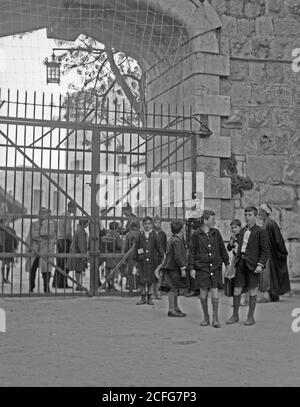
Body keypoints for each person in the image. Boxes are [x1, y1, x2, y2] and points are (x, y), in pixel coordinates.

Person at [226, 206, 269, 326]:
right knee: (237, 289)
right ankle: (235, 315)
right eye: (245, 215)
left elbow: (265, 251)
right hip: (241, 263)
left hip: (253, 265)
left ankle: (250, 317)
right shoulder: (243, 231)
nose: (247, 217)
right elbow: (234, 246)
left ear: (255, 217)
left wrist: (260, 265)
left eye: (250, 215)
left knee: (252, 290)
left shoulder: (261, 231)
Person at [189, 210, 230, 328]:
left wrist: (227, 263)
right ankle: (206, 317)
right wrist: (192, 268)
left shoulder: (216, 233)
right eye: (212, 219)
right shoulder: (196, 234)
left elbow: (222, 249)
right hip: (202, 268)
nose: (214, 221)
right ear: (205, 221)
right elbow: (192, 252)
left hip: (215, 267)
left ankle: (215, 318)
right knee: (203, 294)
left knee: (215, 292)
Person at [258, 203, 291, 302]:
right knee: (269, 274)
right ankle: (273, 295)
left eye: (260, 211)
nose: (259, 213)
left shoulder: (270, 223)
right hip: (267, 253)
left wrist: (282, 253)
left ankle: (267, 295)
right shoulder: (265, 223)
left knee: (267, 274)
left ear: (264, 212)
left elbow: (278, 240)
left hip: (270, 255)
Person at [160, 221, 188, 317]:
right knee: (173, 288)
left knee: (175, 288)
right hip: (173, 268)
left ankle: (176, 308)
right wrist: (182, 267)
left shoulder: (173, 239)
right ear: (181, 230)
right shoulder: (176, 241)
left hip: (170, 267)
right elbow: (177, 256)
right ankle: (172, 309)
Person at [26, 207, 56, 294]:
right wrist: (44, 237)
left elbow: (53, 235)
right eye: (42, 213)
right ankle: (31, 287)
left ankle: (46, 288)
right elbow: (34, 235)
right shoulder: (34, 224)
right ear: (39, 214)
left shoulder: (51, 224)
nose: (43, 215)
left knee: (47, 270)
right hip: (36, 250)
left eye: (45, 213)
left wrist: (46, 238)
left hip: (47, 250)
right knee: (33, 269)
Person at [136, 216, 164, 305]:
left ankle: (150, 297)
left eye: (149, 224)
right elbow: (138, 247)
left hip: (152, 261)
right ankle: (143, 297)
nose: (147, 226)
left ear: (151, 225)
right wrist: (140, 254)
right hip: (142, 262)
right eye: (145, 224)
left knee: (151, 280)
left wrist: (162, 256)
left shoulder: (154, 235)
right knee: (143, 280)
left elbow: (158, 247)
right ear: (143, 225)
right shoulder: (140, 235)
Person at [53, 201, 76, 289]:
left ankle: (55, 282)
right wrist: (72, 241)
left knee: (60, 262)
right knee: (65, 263)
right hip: (65, 240)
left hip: (59, 239)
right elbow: (67, 233)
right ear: (72, 207)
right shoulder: (68, 217)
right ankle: (62, 283)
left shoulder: (62, 215)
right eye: (75, 208)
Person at [225, 219, 249, 305]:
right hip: (235, 259)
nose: (234, 229)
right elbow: (229, 248)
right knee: (234, 279)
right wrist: (232, 240)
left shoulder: (243, 236)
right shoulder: (233, 237)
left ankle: (246, 299)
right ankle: (237, 300)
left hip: (242, 259)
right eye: (232, 228)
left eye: (236, 227)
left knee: (244, 279)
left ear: (240, 227)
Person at [67, 219, 89, 291]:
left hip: (75, 251)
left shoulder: (79, 230)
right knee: (78, 269)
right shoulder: (81, 232)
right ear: (84, 223)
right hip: (78, 252)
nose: (88, 225)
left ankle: (78, 284)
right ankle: (78, 285)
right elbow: (81, 244)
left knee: (78, 269)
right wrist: (83, 255)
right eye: (87, 223)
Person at [101, 221, 122, 291]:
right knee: (113, 270)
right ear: (116, 227)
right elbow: (119, 245)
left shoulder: (107, 234)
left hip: (107, 254)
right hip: (114, 255)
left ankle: (107, 284)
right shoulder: (117, 235)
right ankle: (112, 285)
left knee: (107, 270)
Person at [152, 215, 167, 300]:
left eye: (159, 222)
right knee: (152, 275)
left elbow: (164, 246)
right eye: (156, 222)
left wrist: (164, 256)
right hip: (152, 257)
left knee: (160, 275)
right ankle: (153, 292)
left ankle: (158, 292)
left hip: (160, 257)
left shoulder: (163, 234)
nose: (158, 224)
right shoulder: (151, 233)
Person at [0, 217, 18, 284]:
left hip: (9, 248)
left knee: (7, 263)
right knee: (4, 263)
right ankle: (4, 278)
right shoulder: (2, 229)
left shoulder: (12, 230)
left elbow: (15, 240)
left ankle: (6, 278)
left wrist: (15, 248)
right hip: (3, 248)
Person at [124, 220, 140, 294]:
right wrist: (140, 254)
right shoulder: (140, 234)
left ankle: (130, 287)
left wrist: (126, 255)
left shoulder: (127, 235)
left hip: (130, 255)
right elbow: (141, 246)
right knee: (138, 271)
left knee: (130, 272)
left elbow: (125, 247)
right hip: (138, 255)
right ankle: (137, 287)